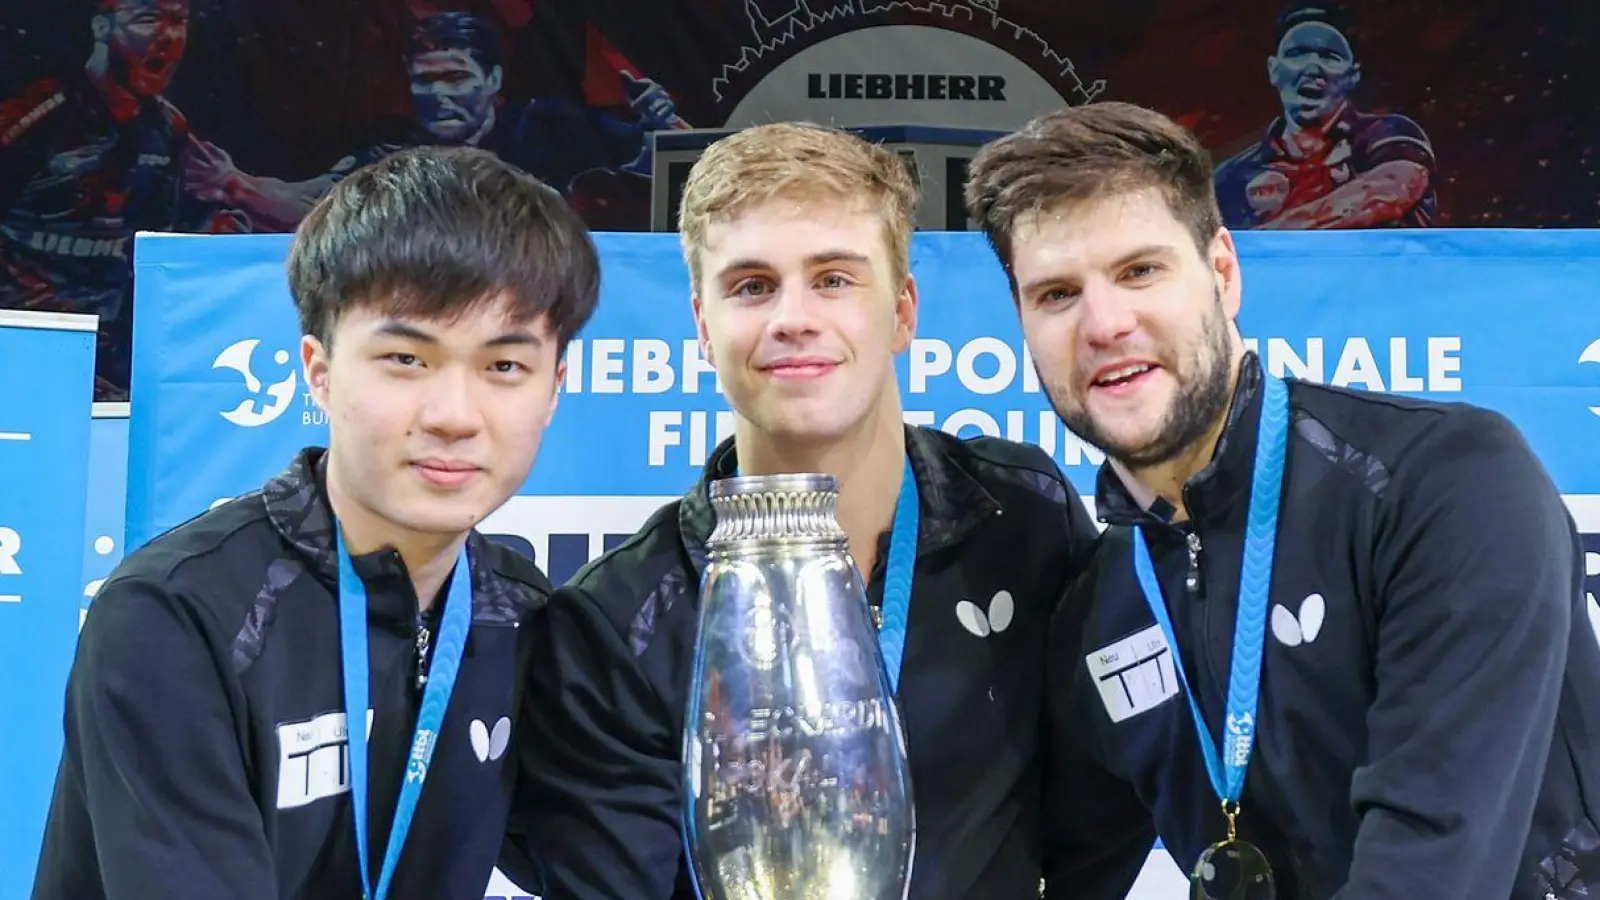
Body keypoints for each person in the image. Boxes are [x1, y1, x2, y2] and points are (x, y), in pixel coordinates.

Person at [963, 100, 1600, 899]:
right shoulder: (1107, 605)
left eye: (1140, 271)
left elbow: (1429, 871)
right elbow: (1052, 870)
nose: (1104, 323)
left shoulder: (1443, 483)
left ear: (1223, 273)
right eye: (1056, 294)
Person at [504, 122, 1100, 899]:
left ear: (903, 311)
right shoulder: (615, 623)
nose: (793, 317)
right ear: (702, 326)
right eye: (752, 285)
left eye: (834, 279)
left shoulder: (1023, 516)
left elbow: (1100, 815)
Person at [32, 145, 599, 899]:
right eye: (405, 358)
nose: (454, 417)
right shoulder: (177, 615)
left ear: (554, 387)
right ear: (319, 371)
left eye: (503, 367)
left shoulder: (523, 618)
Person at [1213, 3, 1437, 230]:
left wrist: (1270, 238)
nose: (1312, 67)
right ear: (1273, 69)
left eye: (1330, 56)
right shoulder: (1232, 177)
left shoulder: (1389, 134)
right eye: (1297, 53)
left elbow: (1391, 189)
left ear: (1353, 75)